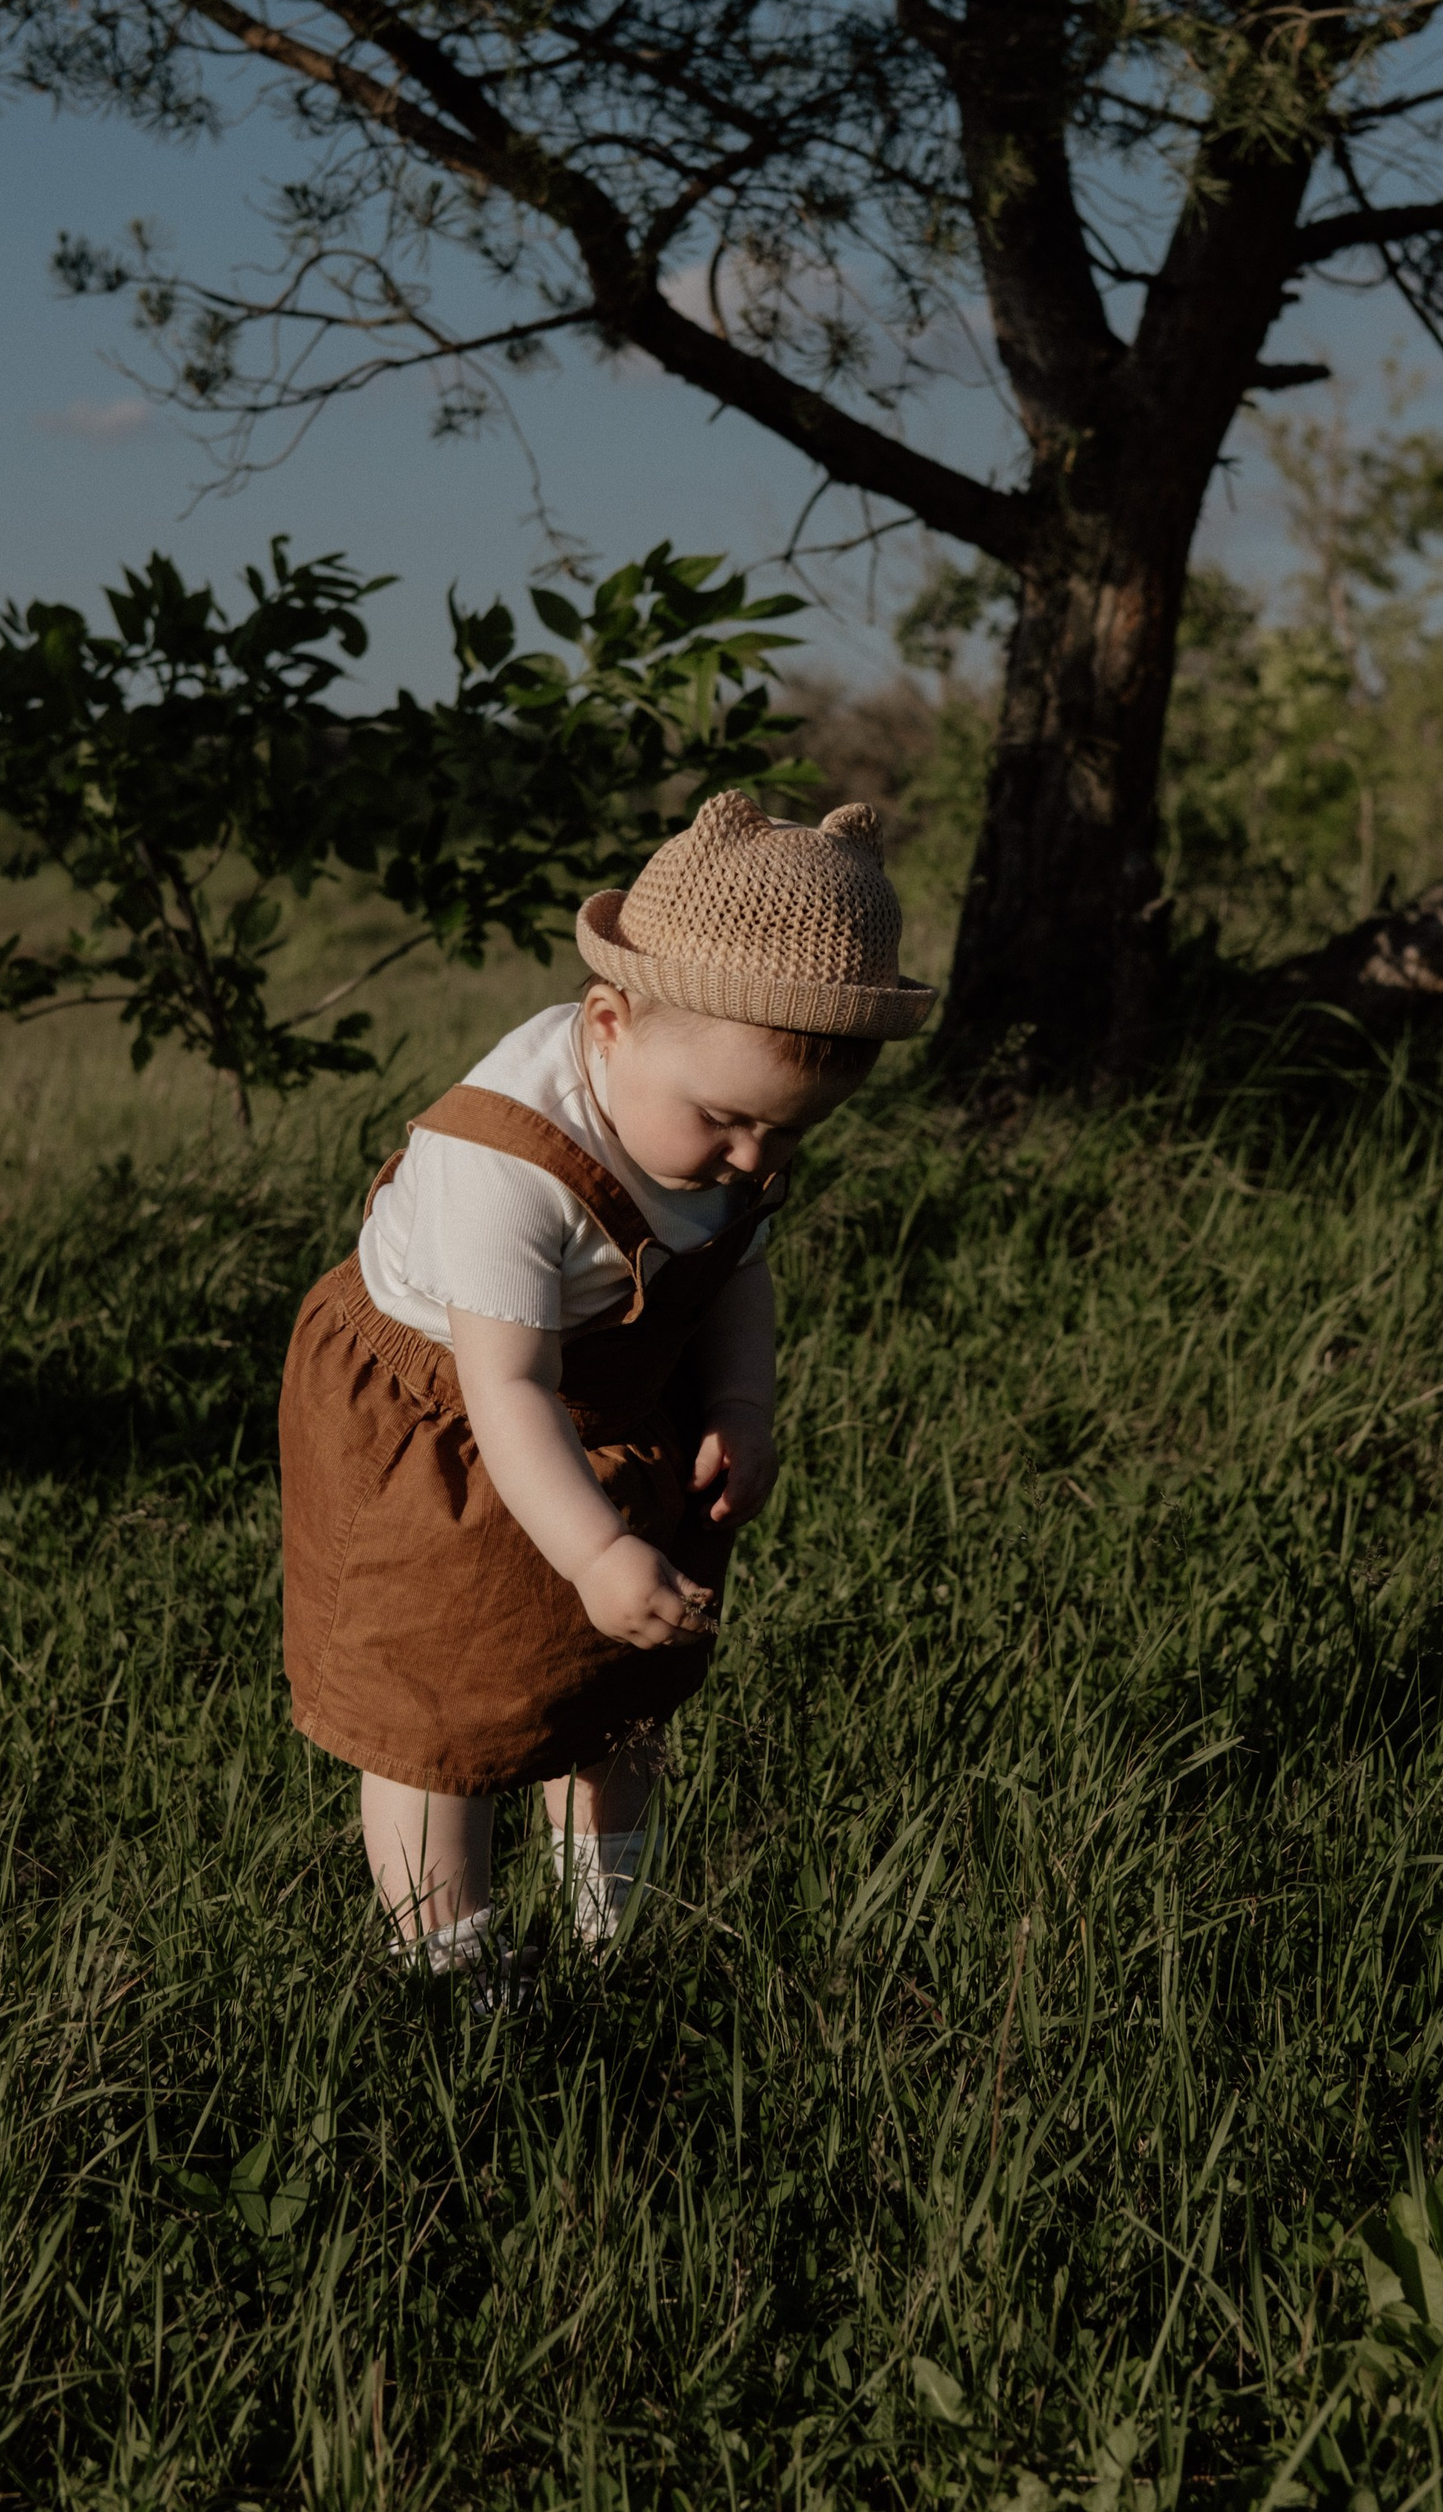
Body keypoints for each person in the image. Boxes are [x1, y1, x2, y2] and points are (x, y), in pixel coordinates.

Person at [277, 788, 934, 1989]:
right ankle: (454, 1956)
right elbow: (509, 1387)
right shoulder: (503, 1165)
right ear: (610, 1023)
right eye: (727, 1123)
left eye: (788, 1134)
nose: (754, 1159)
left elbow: (735, 1267)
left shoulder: (723, 1119)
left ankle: (610, 1924)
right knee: (443, 1707)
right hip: (451, 1419)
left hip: (621, 1387)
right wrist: (588, 1548)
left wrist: (739, 1405)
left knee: (624, 1675)